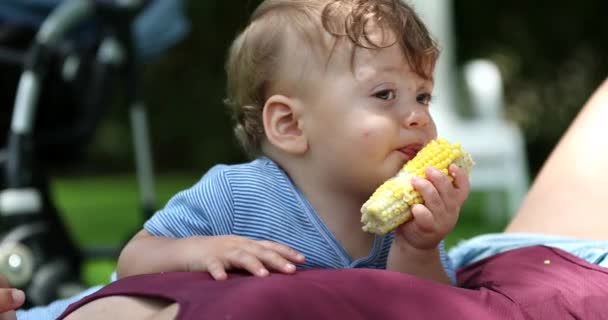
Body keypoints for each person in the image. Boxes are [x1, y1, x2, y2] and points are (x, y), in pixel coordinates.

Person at [115, 0, 468, 286]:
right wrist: (199, 251)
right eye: (385, 93)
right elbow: (134, 259)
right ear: (290, 125)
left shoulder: (411, 223)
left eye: (423, 97)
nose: (418, 117)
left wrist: (418, 250)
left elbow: (429, 306)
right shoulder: (237, 195)